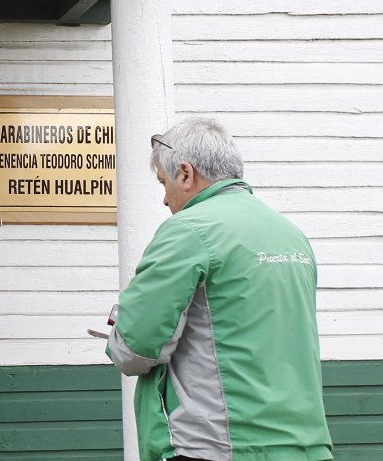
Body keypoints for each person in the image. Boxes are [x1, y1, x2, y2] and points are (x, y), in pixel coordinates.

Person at [106, 117, 333, 461]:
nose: (164, 200)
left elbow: (134, 349)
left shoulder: (187, 230)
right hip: (305, 445)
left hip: (218, 446)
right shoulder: (290, 234)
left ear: (186, 173)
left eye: (163, 182)